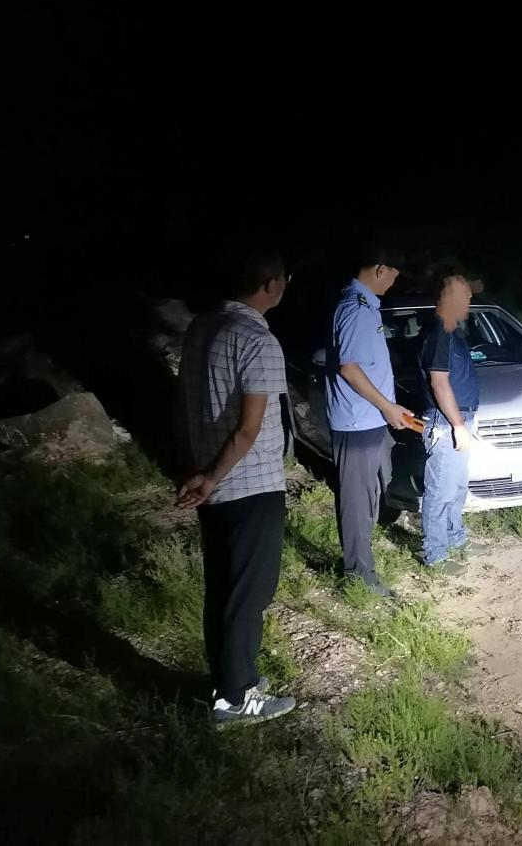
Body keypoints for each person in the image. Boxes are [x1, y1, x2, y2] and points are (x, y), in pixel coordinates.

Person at [176, 250, 296, 728]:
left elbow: (185, 404)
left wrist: (198, 471)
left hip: (212, 482)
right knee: (248, 595)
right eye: (284, 279)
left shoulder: (202, 328)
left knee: (223, 590)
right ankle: (238, 696)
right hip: (250, 483)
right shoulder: (258, 340)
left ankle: (226, 682)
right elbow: (248, 429)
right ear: (271, 284)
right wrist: (213, 475)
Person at [325, 243, 416, 598]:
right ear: (380, 269)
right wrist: (388, 407)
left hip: (370, 417)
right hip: (356, 422)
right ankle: (357, 575)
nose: (392, 283)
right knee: (357, 500)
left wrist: (390, 407)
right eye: (392, 276)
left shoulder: (365, 305)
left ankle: (362, 561)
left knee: (371, 493)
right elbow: (349, 368)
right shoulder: (355, 307)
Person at [417, 274, 482, 572]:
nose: (469, 301)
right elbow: (439, 383)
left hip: (459, 420)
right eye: (465, 296)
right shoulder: (439, 333)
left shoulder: (452, 332)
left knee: (455, 488)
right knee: (440, 491)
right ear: (450, 298)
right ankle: (435, 554)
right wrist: (457, 425)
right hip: (445, 424)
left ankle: (455, 538)